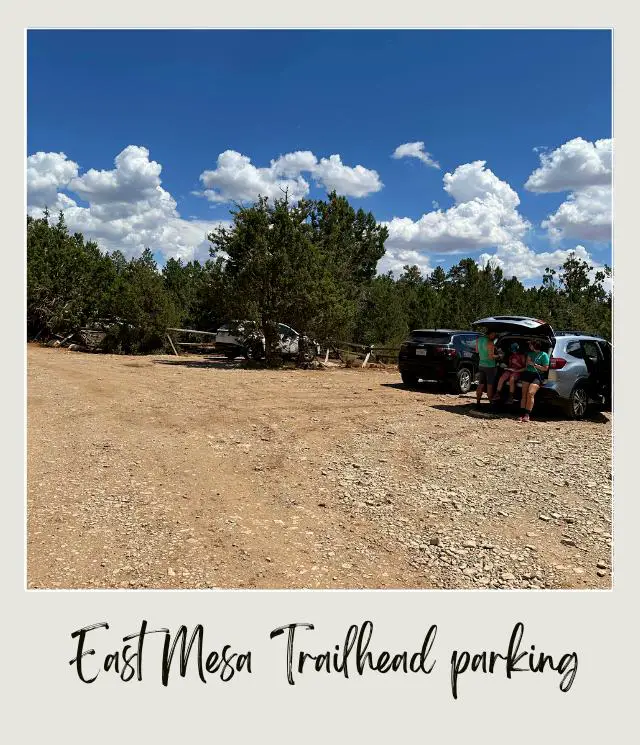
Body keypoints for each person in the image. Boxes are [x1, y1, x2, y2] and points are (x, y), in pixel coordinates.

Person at [518, 340, 550, 422]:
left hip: (537, 375)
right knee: (524, 394)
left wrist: (535, 365)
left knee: (530, 393)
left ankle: (527, 414)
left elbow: (545, 368)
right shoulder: (530, 354)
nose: (529, 347)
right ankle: (522, 413)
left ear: (534, 346)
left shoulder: (544, 355)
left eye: (531, 345)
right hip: (528, 374)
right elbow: (527, 363)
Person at [475, 330, 499, 409]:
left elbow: (477, 351)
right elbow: (491, 357)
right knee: (489, 385)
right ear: (490, 333)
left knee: (481, 384)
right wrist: (499, 356)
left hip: (481, 365)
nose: (494, 336)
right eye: (494, 334)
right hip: (490, 366)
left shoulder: (479, 340)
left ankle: (478, 402)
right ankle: (491, 403)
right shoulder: (490, 343)